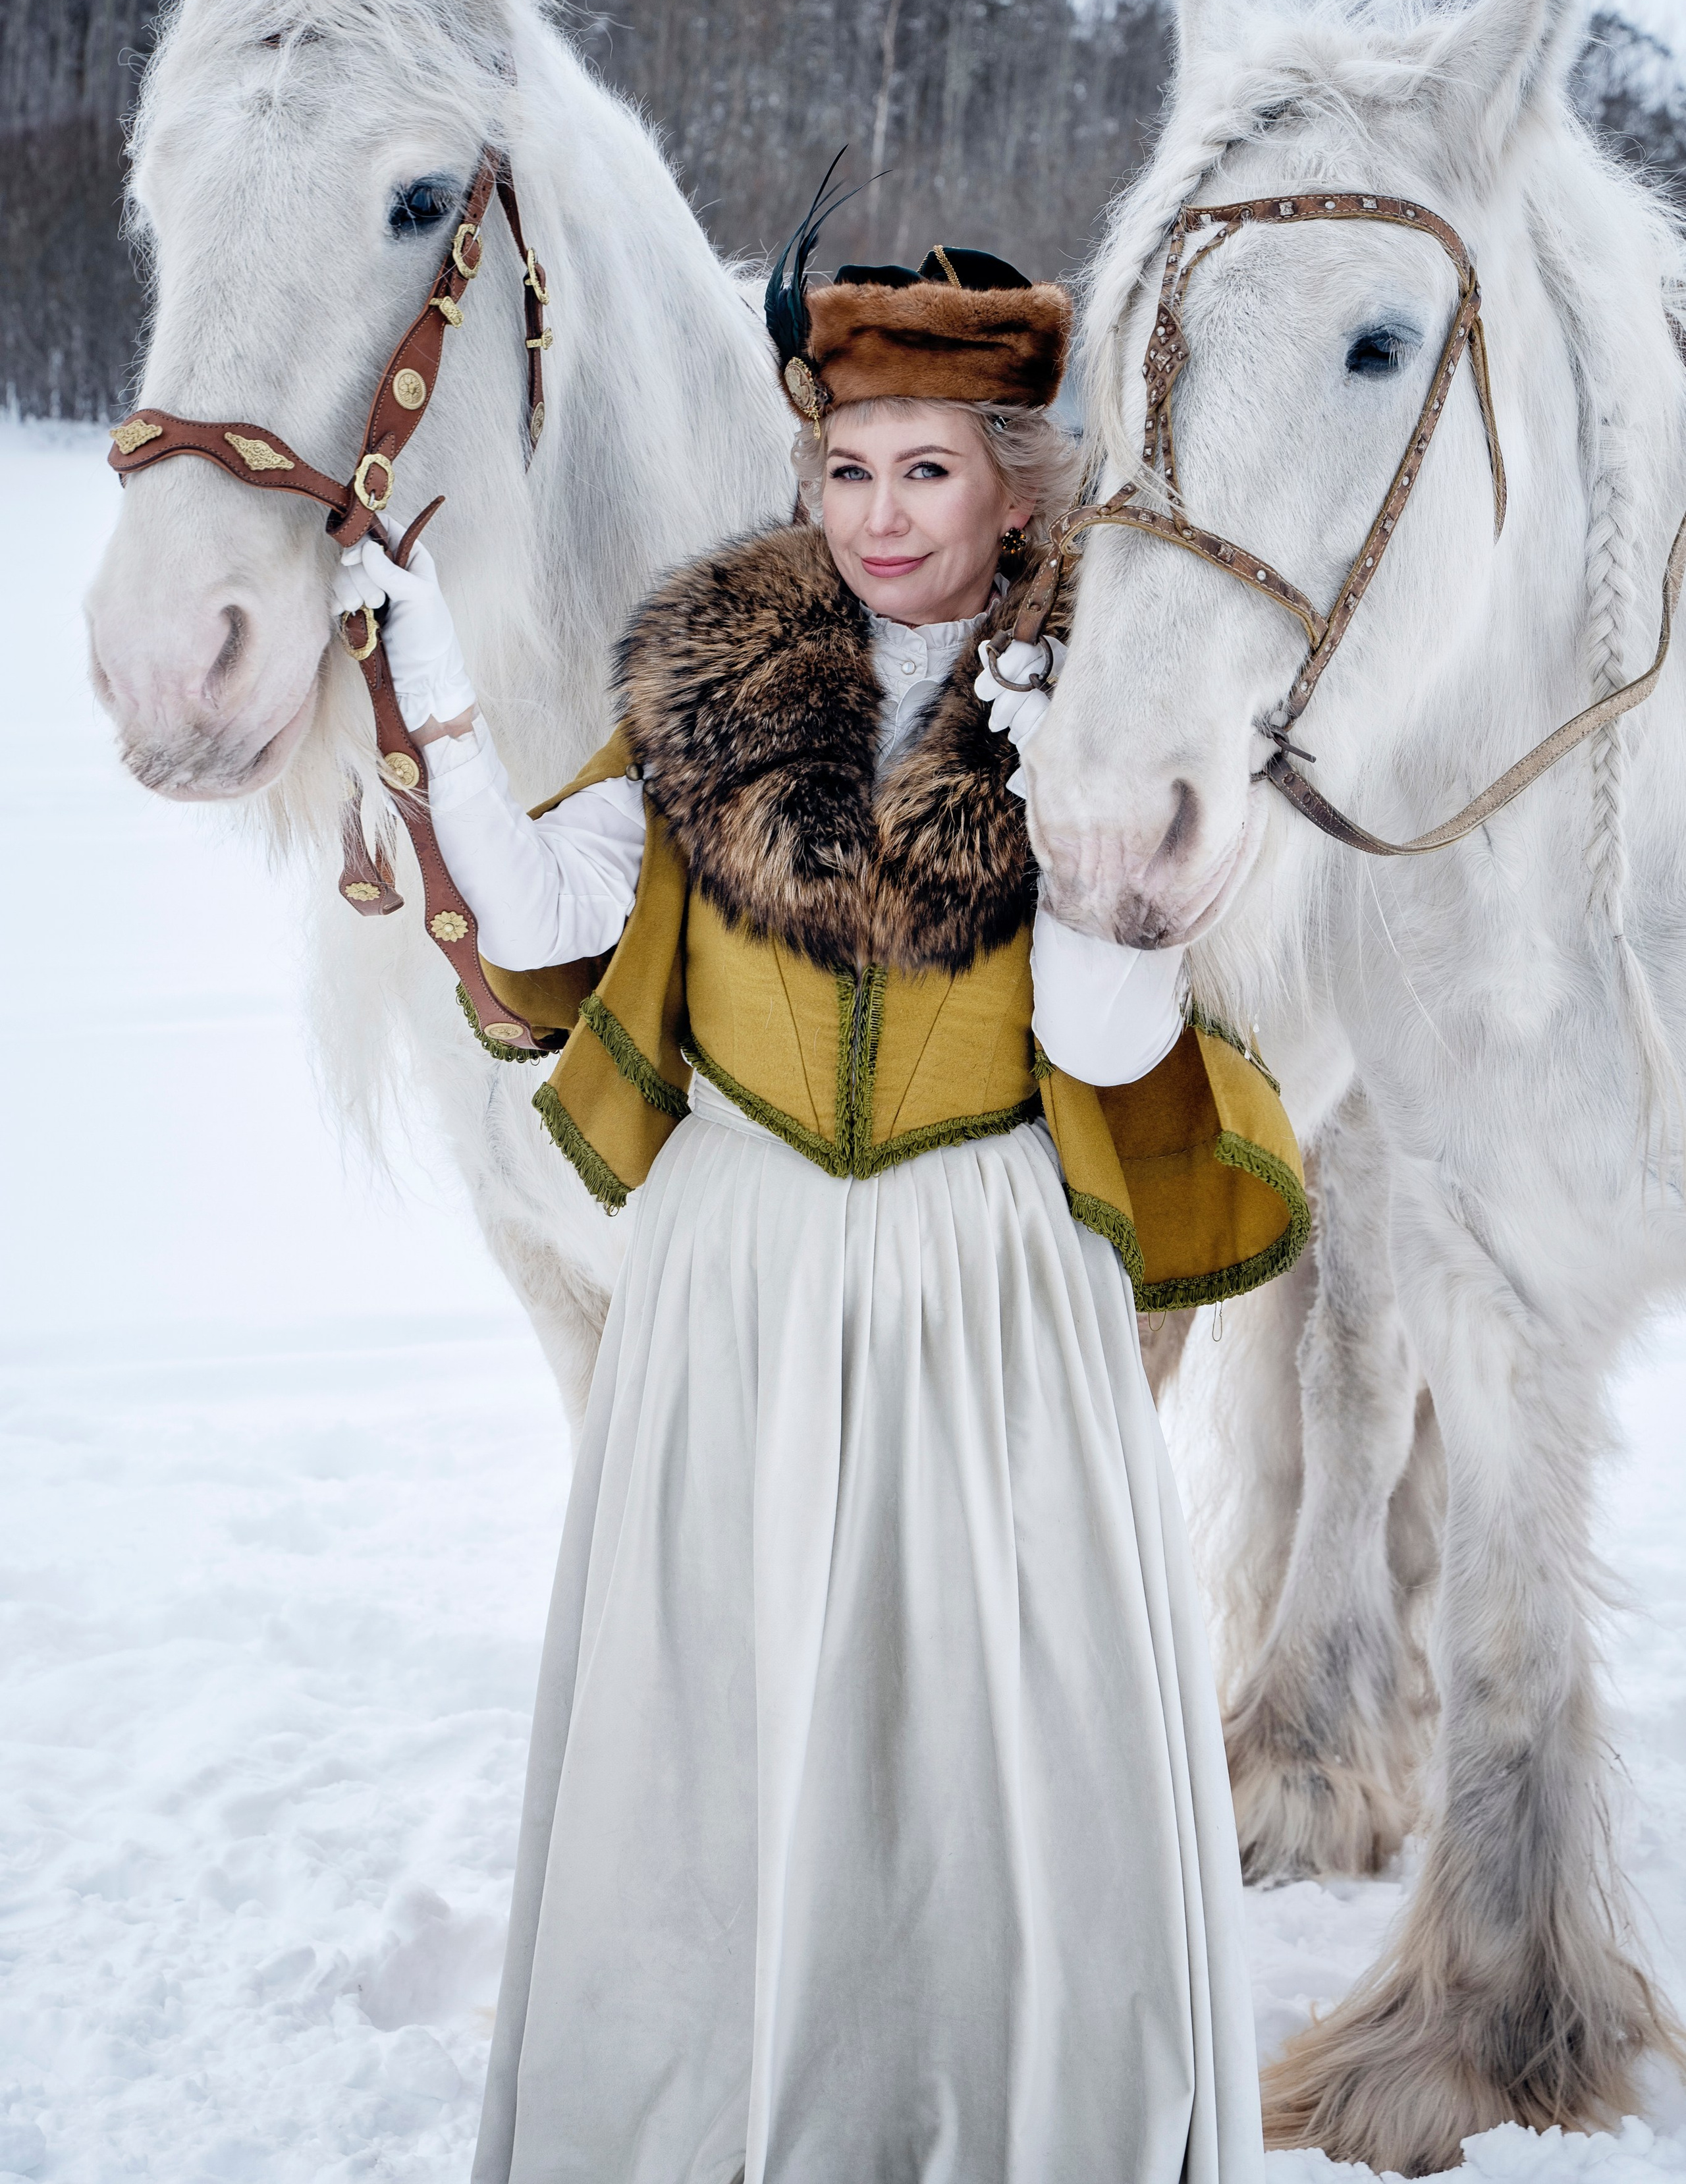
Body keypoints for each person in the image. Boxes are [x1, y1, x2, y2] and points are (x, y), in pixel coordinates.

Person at [335, 220, 1308, 2184]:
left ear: (1013, 483)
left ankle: (1004, 2110)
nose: (882, 514)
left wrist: (1102, 856)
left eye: (928, 468)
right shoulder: (707, 680)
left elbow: (1113, 1058)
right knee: (726, 1724)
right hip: (741, 1275)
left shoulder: (1101, 700)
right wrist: (429, 692)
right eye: (849, 468)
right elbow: (532, 922)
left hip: (987, 1286)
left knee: (990, 1749)